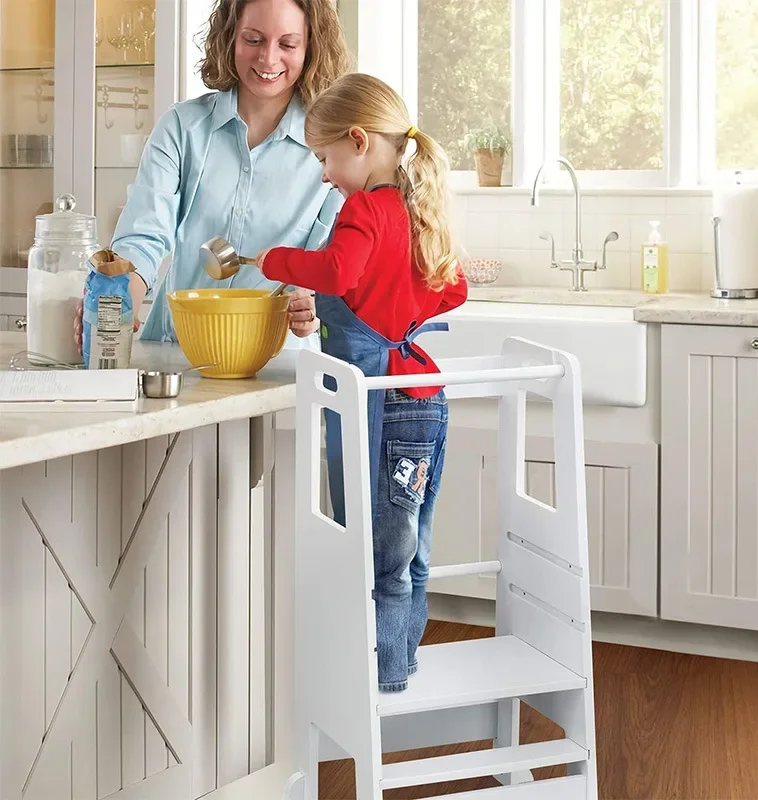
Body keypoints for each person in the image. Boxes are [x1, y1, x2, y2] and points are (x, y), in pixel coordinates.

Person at [256, 73, 468, 692]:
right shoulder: (415, 209)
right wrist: (398, 319)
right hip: (422, 401)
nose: (324, 174)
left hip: (381, 405)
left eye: (324, 158)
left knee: (378, 548)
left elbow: (338, 271)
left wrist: (276, 259)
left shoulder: (365, 209)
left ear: (357, 142)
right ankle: (402, 662)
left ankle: (378, 682)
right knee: (412, 545)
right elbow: (451, 287)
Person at [75, 0, 351, 347]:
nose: (268, 59)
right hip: (176, 350)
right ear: (230, 37)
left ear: (311, 48)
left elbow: (334, 263)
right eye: (253, 39)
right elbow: (143, 235)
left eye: (287, 44)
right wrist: (115, 299)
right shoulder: (182, 127)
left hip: (275, 363)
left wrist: (313, 305)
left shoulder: (330, 148)